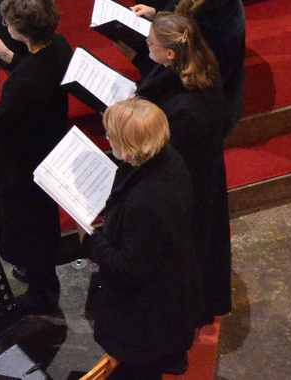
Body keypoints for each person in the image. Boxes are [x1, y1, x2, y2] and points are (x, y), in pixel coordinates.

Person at [130, 14, 231, 327]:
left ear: (171, 53)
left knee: (192, 246)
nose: (146, 46)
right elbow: (153, 86)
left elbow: (171, 152)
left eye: (151, 44)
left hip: (194, 184)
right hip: (199, 168)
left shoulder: (188, 111)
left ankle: (190, 309)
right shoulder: (190, 65)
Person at [89, 99, 200, 379]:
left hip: (146, 318)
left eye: (111, 136)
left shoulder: (145, 202)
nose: (107, 139)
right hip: (172, 288)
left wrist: (91, 238)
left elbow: (128, 269)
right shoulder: (170, 158)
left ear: (129, 147)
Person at [0, 0, 70, 313]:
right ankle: (37, 271)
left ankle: (41, 290)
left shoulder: (25, 82)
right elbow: (35, 67)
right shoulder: (58, 47)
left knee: (29, 222)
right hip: (48, 139)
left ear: (19, 31)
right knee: (37, 220)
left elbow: (0, 122)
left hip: (26, 159)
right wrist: (9, 57)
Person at [130, 0, 245, 132]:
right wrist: (155, 14)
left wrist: (139, 62)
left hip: (202, 101)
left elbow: (187, 72)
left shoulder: (209, 20)